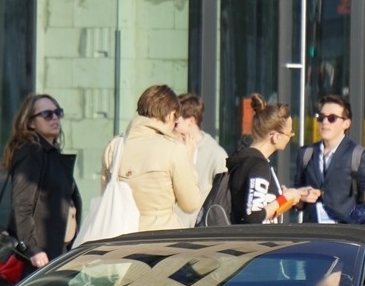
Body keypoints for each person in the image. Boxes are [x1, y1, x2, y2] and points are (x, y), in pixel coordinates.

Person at [0, 93, 82, 286]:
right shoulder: (31, 152)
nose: (55, 118)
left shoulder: (51, 154)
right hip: (37, 259)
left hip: (55, 253)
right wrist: (33, 249)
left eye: (57, 113)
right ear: (31, 123)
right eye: (47, 114)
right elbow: (21, 205)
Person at [100, 84, 201, 231]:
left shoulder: (114, 147)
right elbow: (190, 203)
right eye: (176, 121)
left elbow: (106, 197)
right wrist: (189, 159)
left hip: (120, 241)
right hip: (162, 242)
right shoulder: (173, 149)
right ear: (170, 115)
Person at [225, 94, 320, 224]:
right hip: (256, 243)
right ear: (276, 137)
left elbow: (258, 208)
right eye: (290, 133)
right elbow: (252, 217)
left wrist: (289, 196)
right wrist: (284, 198)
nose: (291, 137)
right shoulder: (258, 165)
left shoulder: (247, 159)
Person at [294, 94, 365, 224]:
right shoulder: (306, 153)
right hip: (312, 232)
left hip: (344, 233)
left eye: (332, 118)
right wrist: (300, 197)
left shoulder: (357, 155)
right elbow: (297, 201)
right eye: (321, 117)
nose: (324, 122)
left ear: (346, 123)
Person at [172, 93, 228, 227]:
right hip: (171, 228)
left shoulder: (216, 155)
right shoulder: (170, 149)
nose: (172, 127)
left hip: (197, 232)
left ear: (191, 120)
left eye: (177, 123)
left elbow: (221, 200)